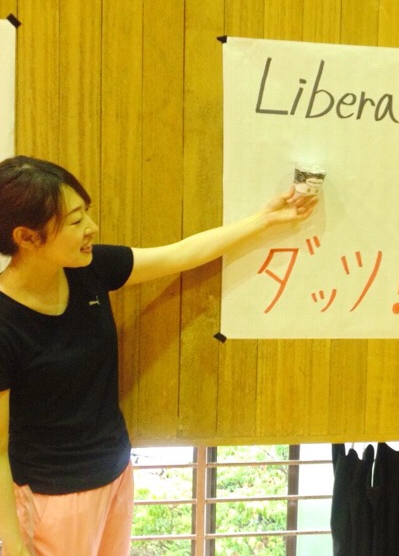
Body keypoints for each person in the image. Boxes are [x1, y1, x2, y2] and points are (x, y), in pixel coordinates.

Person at [0, 155, 318, 556]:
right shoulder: (4, 322)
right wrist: (13, 543)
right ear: (27, 237)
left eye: (87, 214)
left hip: (115, 474)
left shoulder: (89, 269)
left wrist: (265, 220)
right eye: (76, 221)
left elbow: (179, 255)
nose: (92, 228)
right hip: (52, 498)